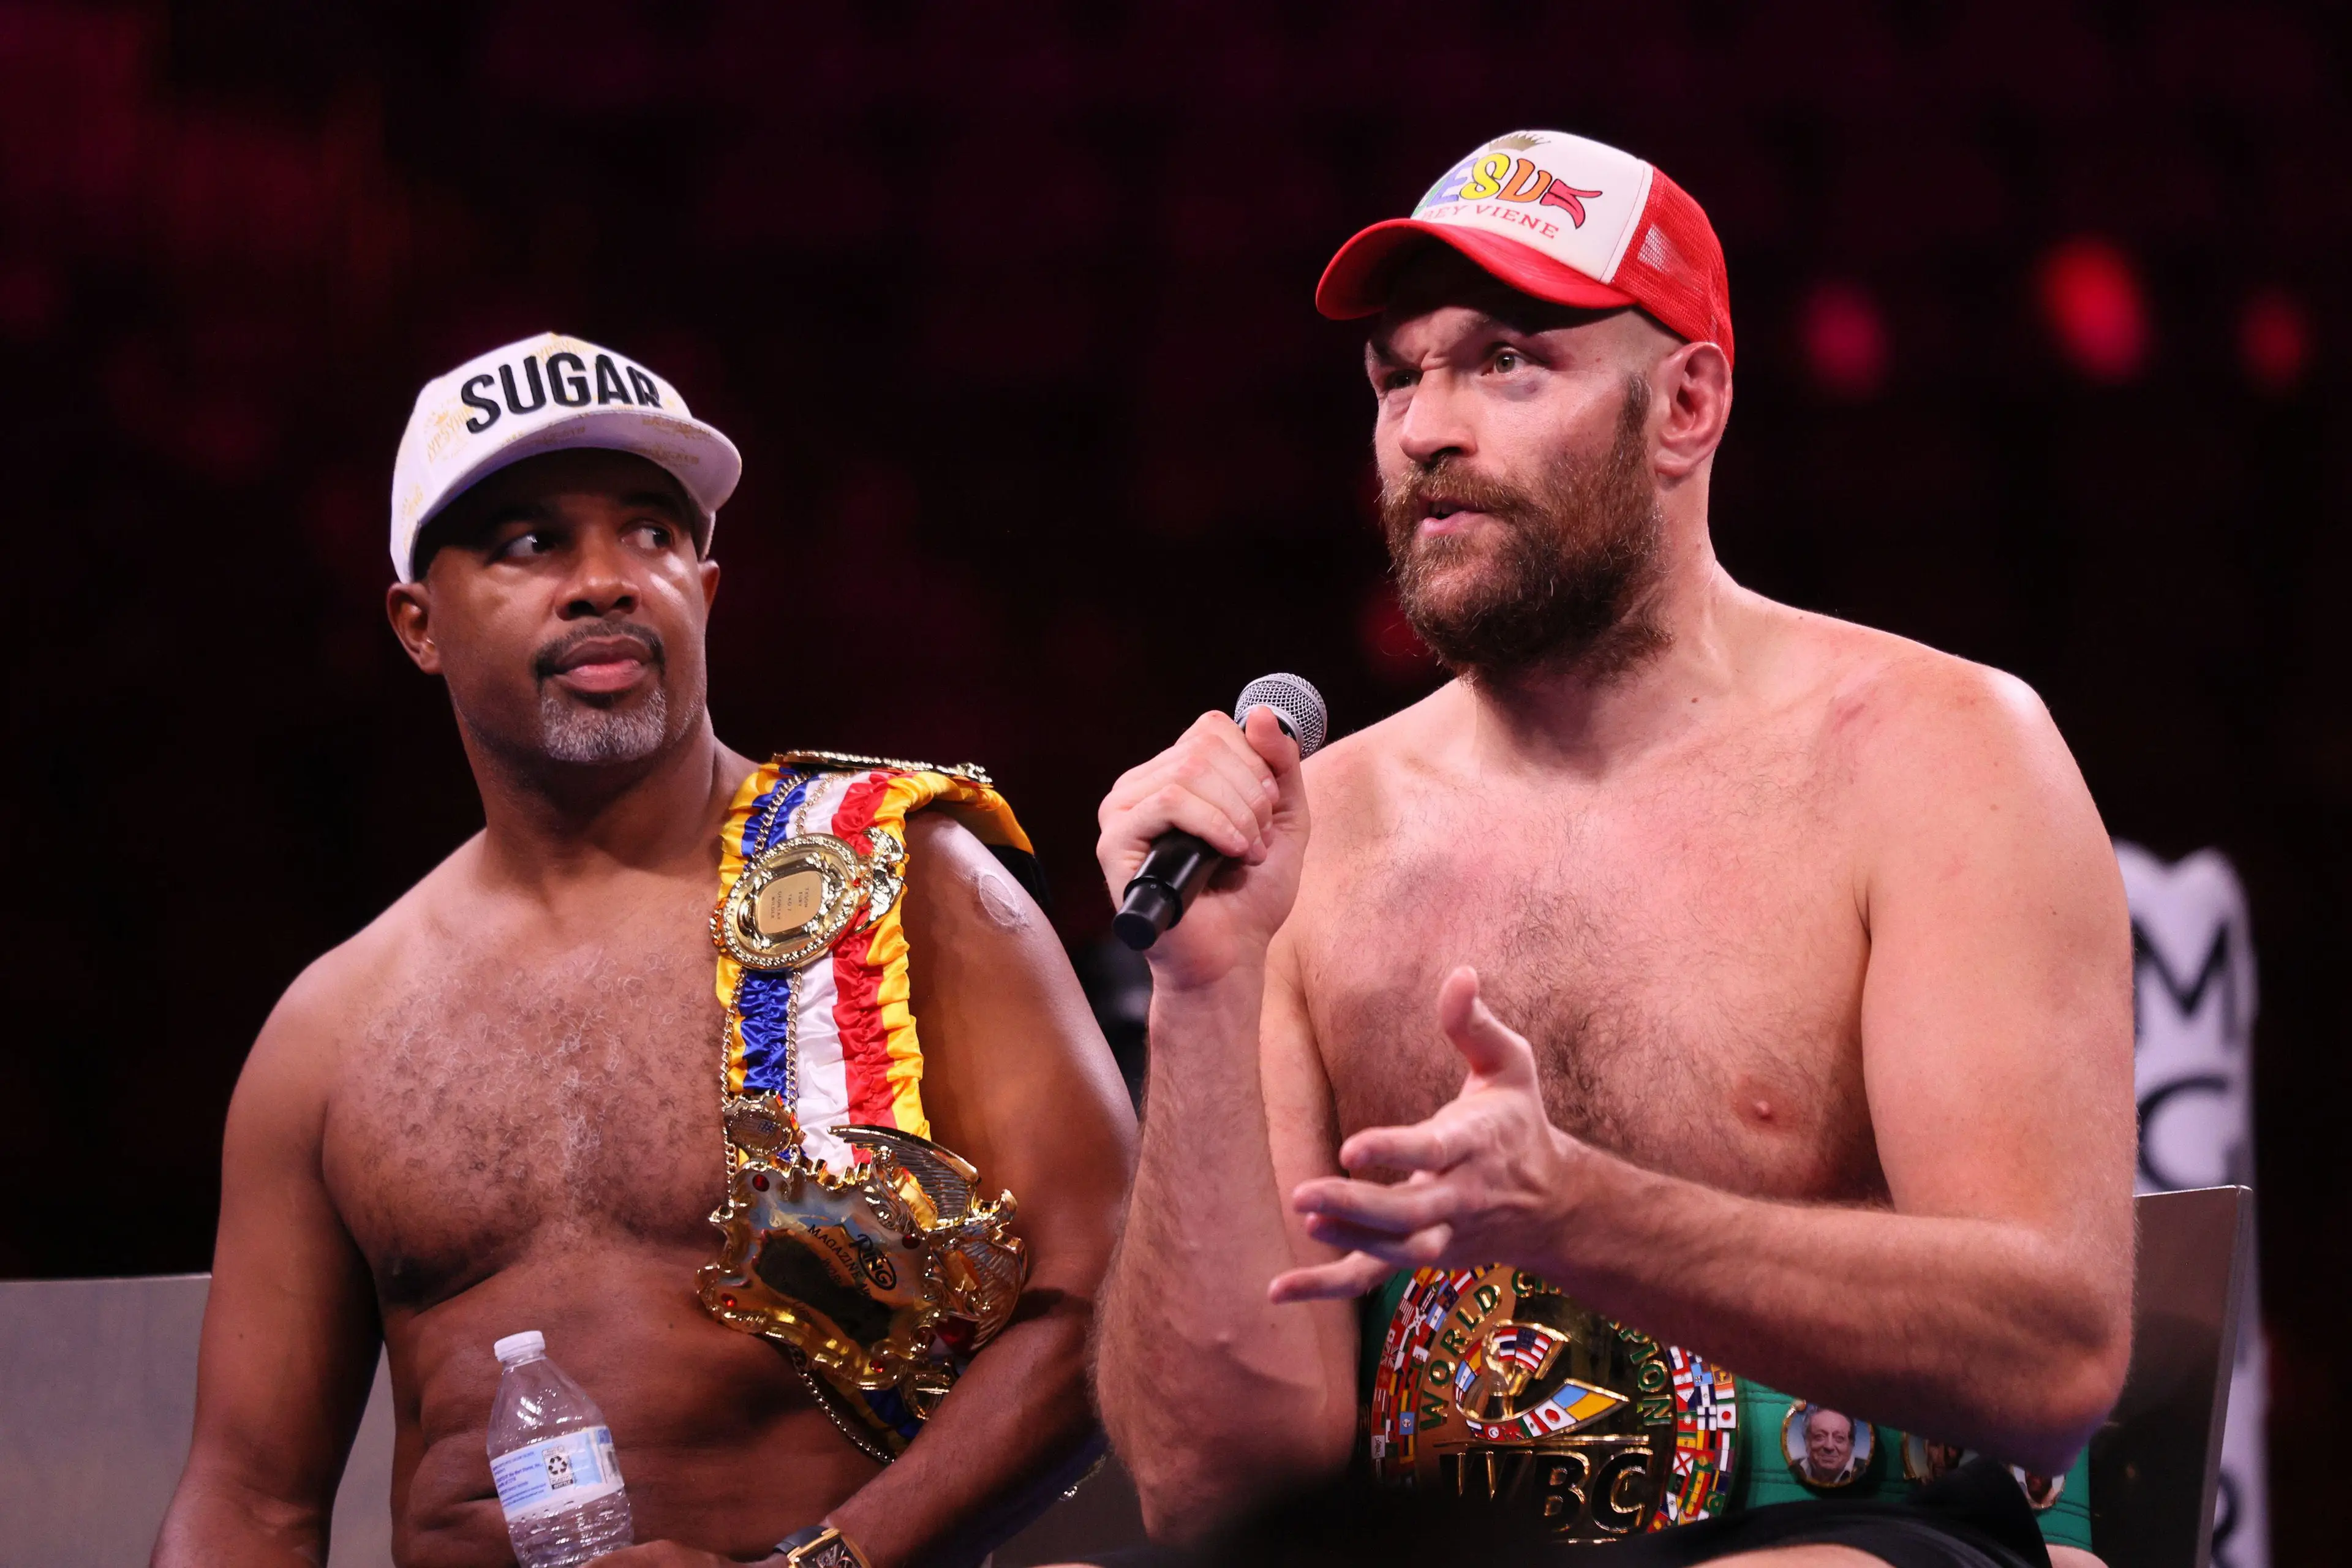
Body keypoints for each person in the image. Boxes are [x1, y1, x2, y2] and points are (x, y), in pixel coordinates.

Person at [1091, 130, 2130, 1567]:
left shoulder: (1935, 756)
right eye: (1397, 376)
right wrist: (1203, 994)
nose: (1424, 427)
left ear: (1685, 403)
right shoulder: (1313, 838)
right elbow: (1208, 1489)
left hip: (1845, 1528)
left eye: (1506, 361)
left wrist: (1576, 1209)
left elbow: (2052, 1352)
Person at [154, 334, 1136, 1568]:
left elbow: (1101, 1297)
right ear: (417, 624)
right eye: (530, 542)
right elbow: (249, 1503)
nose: (604, 582)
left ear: (706, 590)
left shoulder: (908, 883)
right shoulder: (331, 1029)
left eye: (650, 533)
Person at [1798, 1408, 1862, 1488]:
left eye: (1839, 1438)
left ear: (1851, 1444)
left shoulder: (1866, 1472)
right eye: (1820, 1437)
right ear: (1806, 1441)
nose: (1829, 1446)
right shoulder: (1794, 1469)